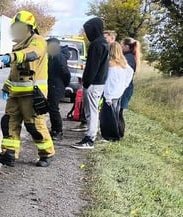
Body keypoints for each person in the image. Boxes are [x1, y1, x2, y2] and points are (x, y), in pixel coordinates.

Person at [0, 11, 55, 167]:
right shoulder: (18, 44)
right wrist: (6, 87)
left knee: (34, 125)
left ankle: (47, 154)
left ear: (29, 28)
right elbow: (15, 73)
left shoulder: (37, 41)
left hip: (32, 94)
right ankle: (9, 153)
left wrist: (12, 56)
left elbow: (32, 54)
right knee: (9, 122)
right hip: (16, 94)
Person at [72, 17, 110, 150]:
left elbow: (92, 66)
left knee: (92, 111)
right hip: (99, 82)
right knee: (91, 110)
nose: (87, 33)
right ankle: (90, 134)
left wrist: (86, 82)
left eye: (88, 30)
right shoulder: (104, 43)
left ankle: (90, 139)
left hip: (93, 83)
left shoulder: (96, 44)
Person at [100, 42, 134, 141]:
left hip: (110, 94)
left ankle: (110, 136)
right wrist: (124, 85)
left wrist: (107, 95)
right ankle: (117, 134)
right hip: (119, 93)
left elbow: (109, 81)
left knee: (108, 117)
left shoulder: (110, 64)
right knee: (116, 114)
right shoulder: (124, 63)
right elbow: (130, 73)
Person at [46, 38, 71, 141]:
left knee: (54, 109)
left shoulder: (58, 56)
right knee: (52, 108)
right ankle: (54, 129)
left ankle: (58, 131)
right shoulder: (53, 55)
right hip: (53, 85)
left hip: (56, 85)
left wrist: (64, 83)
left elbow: (65, 72)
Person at [121, 37, 140, 109]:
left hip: (125, 89)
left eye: (122, 45)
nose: (120, 47)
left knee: (118, 113)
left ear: (127, 47)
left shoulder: (128, 58)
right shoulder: (130, 57)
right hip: (127, 88)